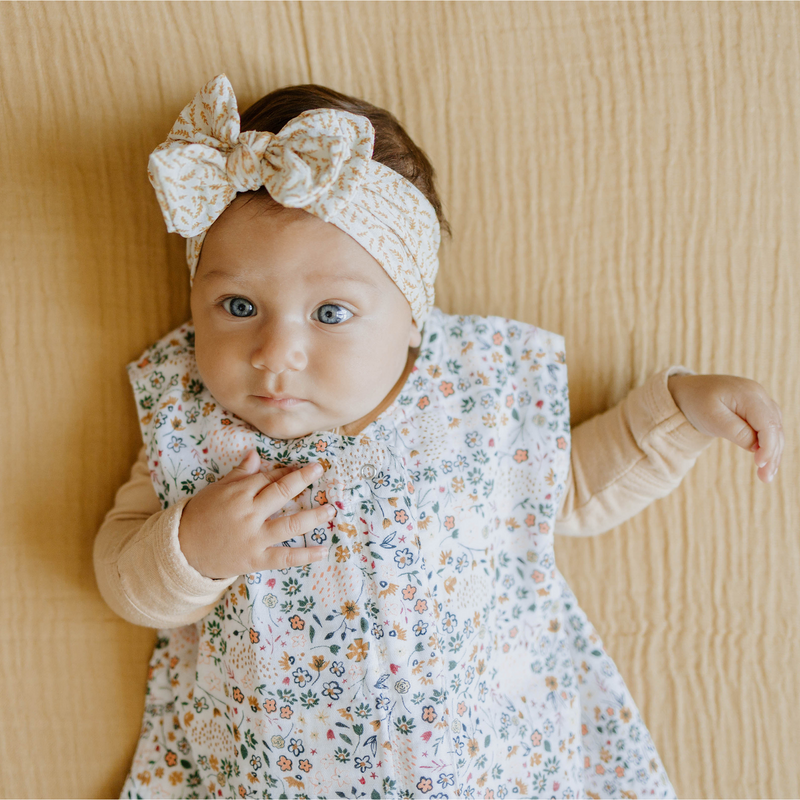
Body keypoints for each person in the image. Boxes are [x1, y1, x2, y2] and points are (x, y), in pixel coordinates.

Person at [94, 74, 783, 799]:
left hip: (482, 767)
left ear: (412, 314)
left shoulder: (471, 394)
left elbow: (571, 487)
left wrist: (678, 414)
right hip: (269, 776)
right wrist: (192, 549)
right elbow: (120, 572)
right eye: (238, 306)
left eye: (330, 314)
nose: (275, 353)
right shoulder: (187, 417)